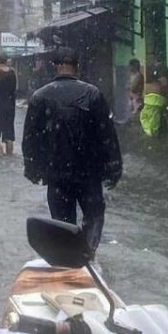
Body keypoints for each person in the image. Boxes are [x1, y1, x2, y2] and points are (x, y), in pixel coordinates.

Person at [21, 47, 122, 254]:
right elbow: (108, 135)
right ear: (78, 67)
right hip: (89, 174)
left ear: (54, 67)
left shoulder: (40, 97)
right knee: (93, 216)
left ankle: (68, 261)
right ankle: (89, 253)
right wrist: (114, 168)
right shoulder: (93, 94)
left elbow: (30, 139)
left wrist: (32, 168)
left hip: (56, 175)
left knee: (62, 223)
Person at [140, 60, 168, 137]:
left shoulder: (147, 86)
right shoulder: (160, 85)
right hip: (157, 104)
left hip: (150, 104)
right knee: (155, 118)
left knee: (153, 118)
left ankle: (154, 131)